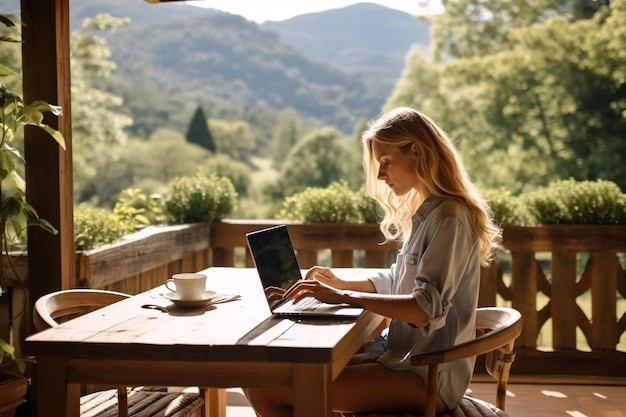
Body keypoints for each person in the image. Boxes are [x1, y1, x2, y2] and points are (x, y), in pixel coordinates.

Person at [245, 107, 502, 416]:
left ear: (416, 151)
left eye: (386, 162)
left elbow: (423, 310)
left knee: (266, 388)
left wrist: (343, 296)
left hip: (427, 376)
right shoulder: (429, 213)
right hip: (400, 359)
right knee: (268, 375)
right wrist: (336, 283)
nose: (381, 175)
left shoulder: (449, 217)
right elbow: (397, 281)